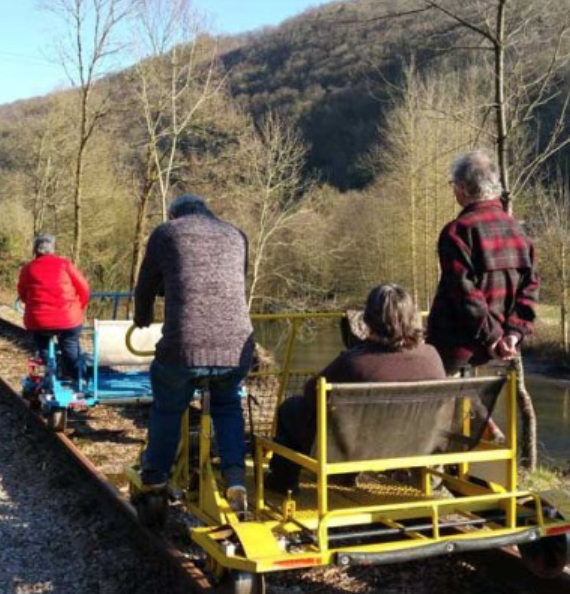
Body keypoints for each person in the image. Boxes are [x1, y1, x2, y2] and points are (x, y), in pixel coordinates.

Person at [134, 194, 254, 511]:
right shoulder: (235, 234)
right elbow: (231, 282)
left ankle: (156, 478)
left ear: (173, 214)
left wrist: (142, 318)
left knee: (168, 408)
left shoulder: (166, 233)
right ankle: (236, 479)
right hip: (237, 346)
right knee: (228, 406)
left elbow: (146, 284)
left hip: (183, 347)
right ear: (207, 210)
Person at [264, 284, 446, 494]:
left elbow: (310, 394)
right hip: (415, 444)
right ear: (411, 316)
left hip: (359, 448)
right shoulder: (431, 356)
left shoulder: (355, 362)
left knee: (291, 408)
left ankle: (282, 482)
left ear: (368, 319)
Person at [426, 149, 539, 442]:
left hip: (456, 349)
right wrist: (511, 335)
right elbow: (530, 289)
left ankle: (435, 474)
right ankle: (482, 448)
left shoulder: (457, 232)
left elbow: (465, 295)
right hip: (499, 351)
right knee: (463, 407)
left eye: (453, 186)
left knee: (429, 410)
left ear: (462, 189)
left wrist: (493, 336)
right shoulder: (520, 232)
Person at [17, 234, 90, 380]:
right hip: (68, 318)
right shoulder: (65, 264)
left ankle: (50, 368)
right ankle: (76, 377)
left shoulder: (27, 269)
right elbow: (84, 289)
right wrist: (78, 308)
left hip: (39, 320)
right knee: (70, 346)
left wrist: (34, 306)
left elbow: (23, 293)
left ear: (35, 250)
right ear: (53, 249)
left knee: (42, 344)